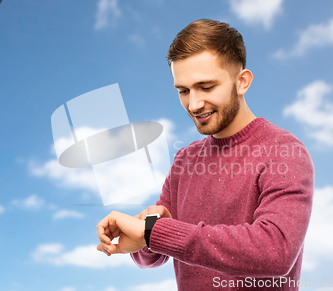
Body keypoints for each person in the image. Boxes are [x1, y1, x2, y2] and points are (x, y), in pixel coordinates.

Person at [96, 19, 314, 290]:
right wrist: (144, 239)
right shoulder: (185, 160)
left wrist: (154, 232)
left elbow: (275, 252)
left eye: (207, 87)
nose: (194, 104)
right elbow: (159, 247)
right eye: (183, 91)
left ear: (242, 82)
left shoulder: (284, 151)